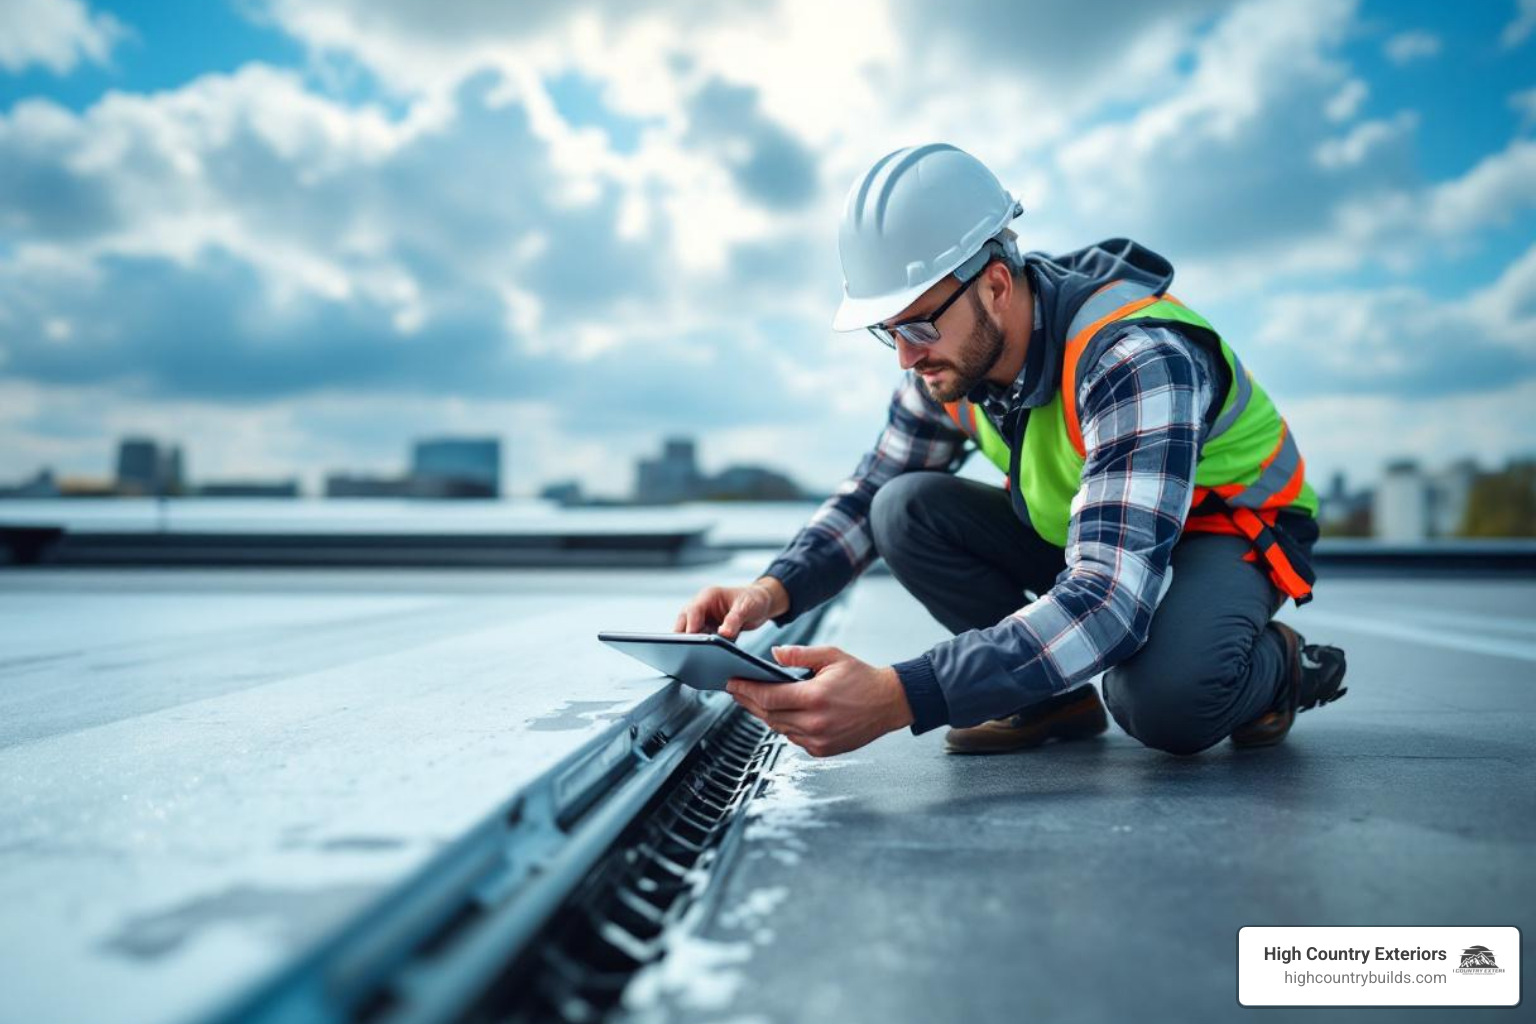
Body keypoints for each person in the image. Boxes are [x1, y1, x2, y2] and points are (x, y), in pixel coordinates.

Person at [675, 142, 1347, 759]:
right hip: (1096, 532)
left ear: (996, 284)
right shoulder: (947, 364)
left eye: (919, 323)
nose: (908, 356)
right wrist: (769, 591)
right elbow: (868, 493)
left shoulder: (1132, 360)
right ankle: (1043, 699)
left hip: (1223, 531)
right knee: (900, 506)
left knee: (1165, 704)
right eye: (889, 331)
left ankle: (1277, 667)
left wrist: (902, 695)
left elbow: (1110, 600)